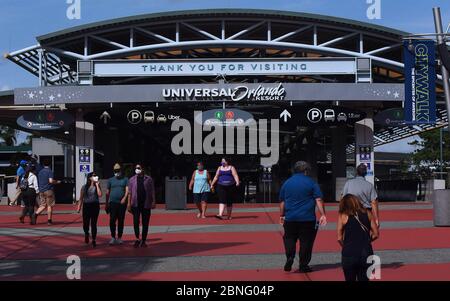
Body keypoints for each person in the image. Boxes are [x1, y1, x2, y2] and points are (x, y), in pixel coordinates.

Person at [279, 161, 327, 273]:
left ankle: (290, 256)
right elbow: (318, 199)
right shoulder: (311, 183)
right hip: (307, 218)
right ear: (306, 171)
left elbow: (282, 201)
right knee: (306, 242)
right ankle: (303, 265)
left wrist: (282, 215)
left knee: (289, 238)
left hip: (290, 218)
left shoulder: (287, 183)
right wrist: (323, 214)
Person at [337, 194, 379, 281]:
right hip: (366, 253)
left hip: (349, 253)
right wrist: (368, 240)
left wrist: (345, 246)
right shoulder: (368, 213)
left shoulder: (343, 215)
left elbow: (339, 238)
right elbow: (376, 234)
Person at [342, 164, 380, 228]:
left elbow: (343, 199)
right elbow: (373, 202)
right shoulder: (370, 185)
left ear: (356, 172)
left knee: (350, 234)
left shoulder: (348, 183)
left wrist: (342, 214)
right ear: (366, 173)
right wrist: (376, 219)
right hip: (365, 214)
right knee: (366, 234)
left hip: (351, 213)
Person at [127, 164, 156, 248]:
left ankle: (143, 240)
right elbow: (129, 192)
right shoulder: (132, 179)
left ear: (142, 169)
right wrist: (128, 204)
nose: (137, 169)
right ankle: (137, 239)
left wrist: (154, 201)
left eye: (139, 168)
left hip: (146, 204)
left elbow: (152, 191)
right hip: (135, 204)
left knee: (145, 223)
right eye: (136, 168)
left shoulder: (148, 179)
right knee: (136, 222)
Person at [105, 163, 129, 245]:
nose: (117, 172)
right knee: (112, 220)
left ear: (121, 170)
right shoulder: (110, 180)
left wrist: (124, 198)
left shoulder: (125, 179)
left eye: (118, 170)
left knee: (121, 220)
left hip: (122, 203)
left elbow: (127, 191)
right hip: (112, 203)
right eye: (115, 171)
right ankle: (112, 237)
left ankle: (119, 237)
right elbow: (107, 192)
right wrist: (106, 204)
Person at [77, 172, 102, 248]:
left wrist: (97, 185)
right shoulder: (84, 187)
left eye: (96, 175)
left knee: (94, 224)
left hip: (95, 205)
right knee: (86, 223)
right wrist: (79, 207)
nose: (95, 177)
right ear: (90, 178)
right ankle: (86, 233)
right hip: (86, 206)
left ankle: (94, 240)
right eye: (94, 176)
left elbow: (100, 195)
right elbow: (81, 198)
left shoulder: (97, 186)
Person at [35, 158, 61, 225]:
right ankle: (49, 220)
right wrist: (57, 182)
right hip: (49, 190)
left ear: (43, 164)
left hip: (41, 190)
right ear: (50, 164)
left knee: (43, 205)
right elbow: (50, 181)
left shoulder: (40, 172)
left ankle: (35, 214)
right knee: (50, 205)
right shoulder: (49, 171)